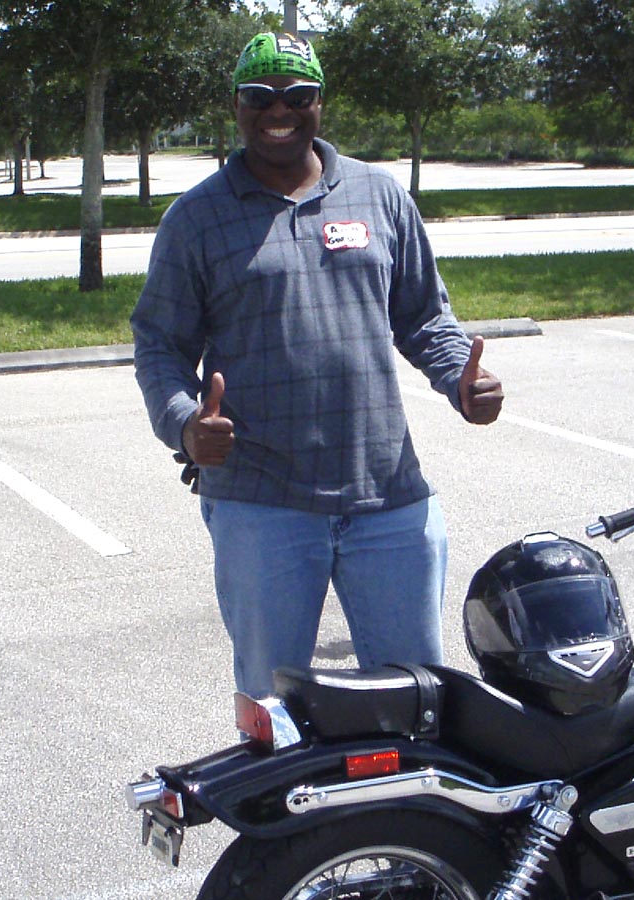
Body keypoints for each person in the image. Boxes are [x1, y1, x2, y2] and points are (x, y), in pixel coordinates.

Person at [131, 32, 504, 697]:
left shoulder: (379, 195)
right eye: (260, 96)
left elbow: (423, 316)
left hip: (387, 494)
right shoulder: (196, 219)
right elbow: (160, 343)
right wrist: (185, 424)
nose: (279, 110)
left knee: (414, 697)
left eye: (298, 95)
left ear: (320, 102)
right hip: (260, 503)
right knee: (273, 706)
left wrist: (461, 379)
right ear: (237, 106)